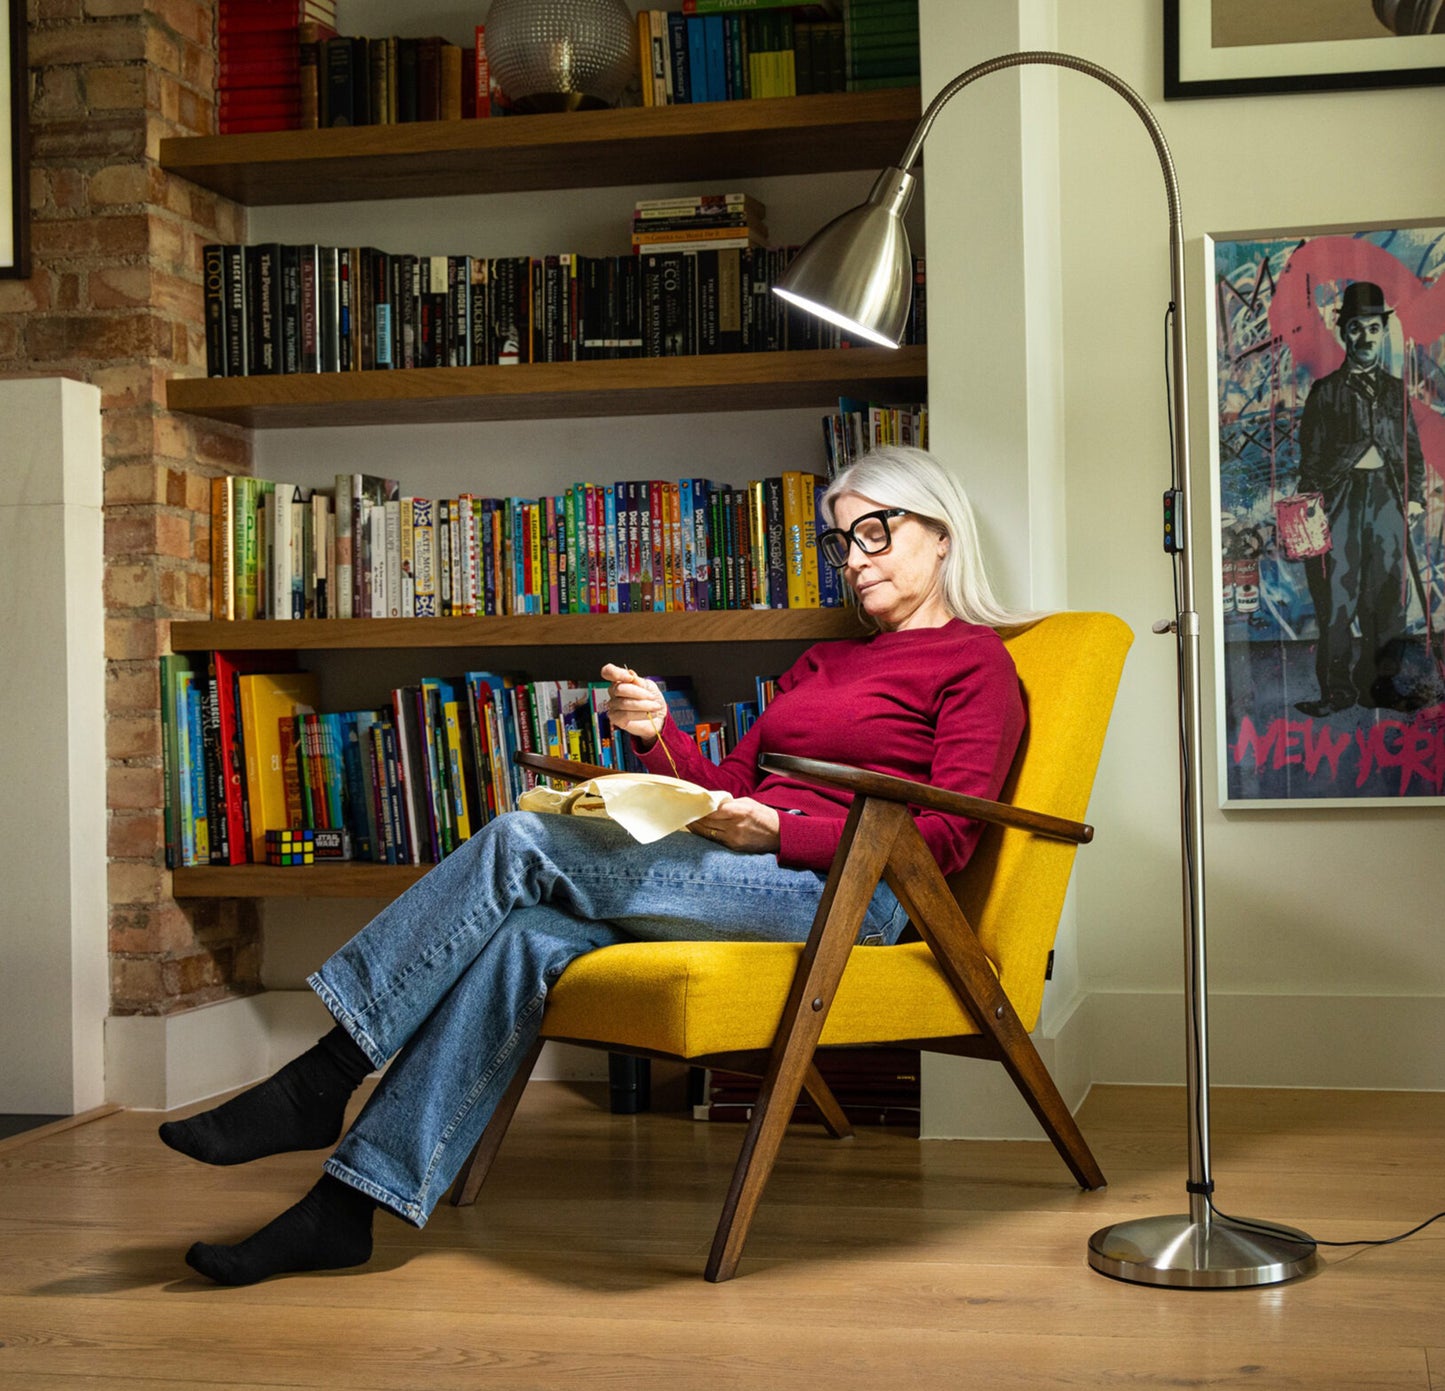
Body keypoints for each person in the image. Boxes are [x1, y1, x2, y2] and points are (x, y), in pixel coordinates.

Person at [161, 445, 1031, 1286]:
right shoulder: (826, 660)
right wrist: (658, 735)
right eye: (840, 541)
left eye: (876, 531)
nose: (855, 559)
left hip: (851, 896)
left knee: (520, 840)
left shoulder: (975, 665)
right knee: (524, 941)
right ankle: (346, 1207)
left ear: (940, 532)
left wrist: (782, 832)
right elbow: (726, 788)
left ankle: (320, 1078)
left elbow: (946, 839)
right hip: (747, 872)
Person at [1293, 279, 1425, 716]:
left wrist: (1414, 498)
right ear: (1343, 333)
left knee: (1387, 597)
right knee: (1337, 596)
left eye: (1373, 328)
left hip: (1388, 499)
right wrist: (1312, 508)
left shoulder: (1394, 391)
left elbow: (1411, 450)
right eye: (1356, 329)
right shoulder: (1326, 391)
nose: (1365, 338)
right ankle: (1336, 692)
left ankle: (1381, 688)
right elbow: (1311, 457)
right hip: (1341, 501)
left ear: (1382, 332)